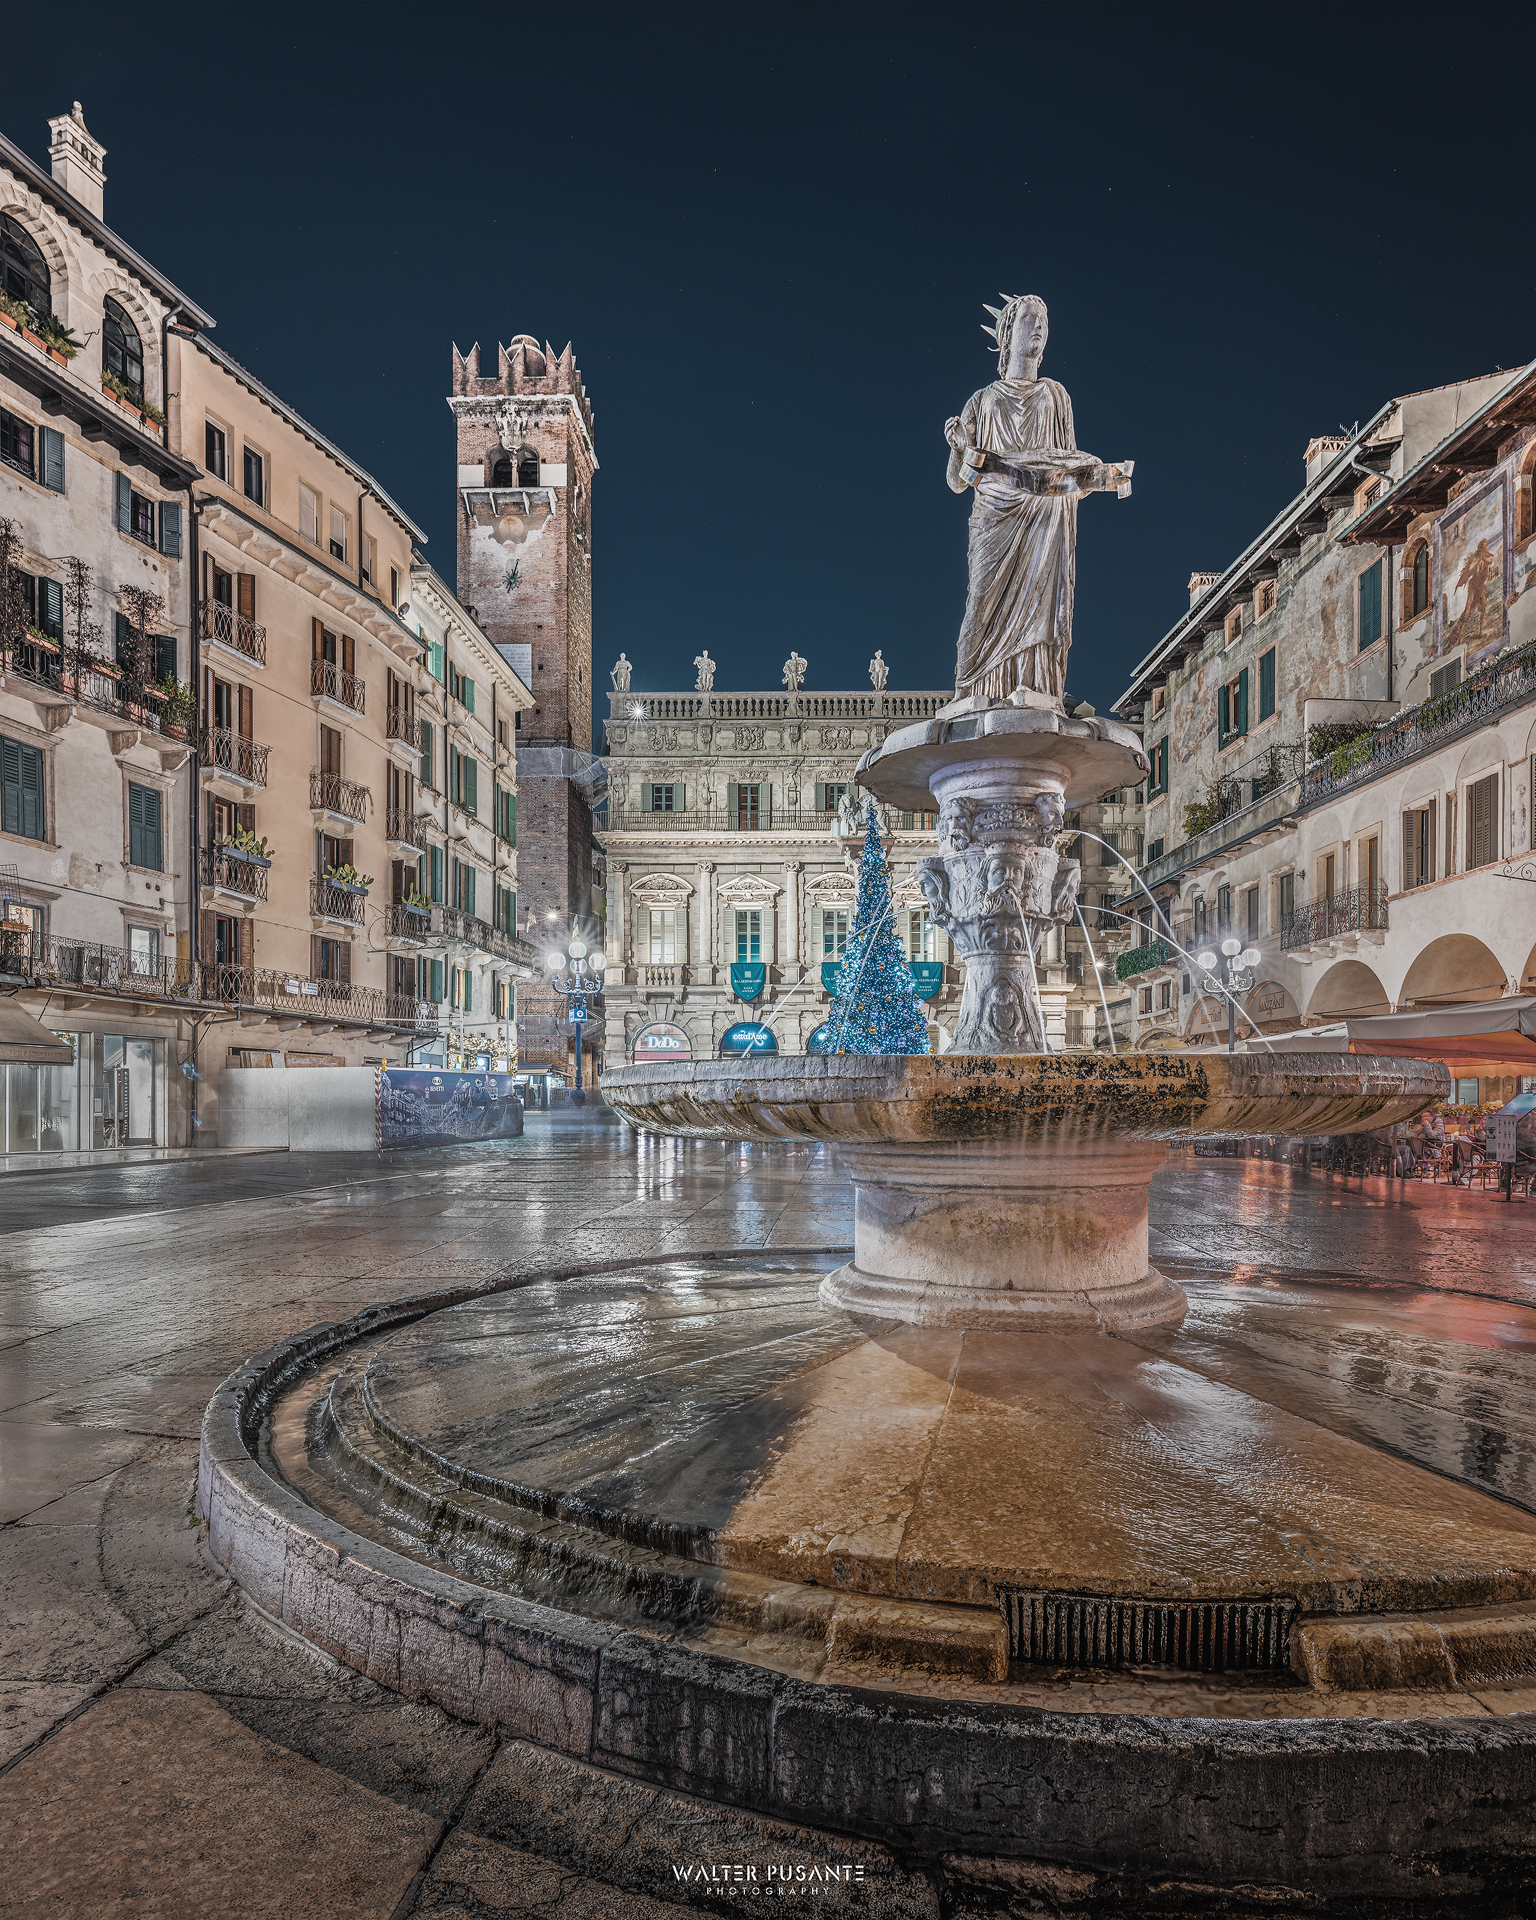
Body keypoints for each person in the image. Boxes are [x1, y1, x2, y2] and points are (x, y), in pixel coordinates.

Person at [945, 295, 1130, 705]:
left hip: (1045, 523)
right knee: (981, 601)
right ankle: (971, 688)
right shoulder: (982, 400)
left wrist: (1100, 477)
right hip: (995, 520)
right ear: (1008, 333)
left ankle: (1037, 687)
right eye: (1031, 319)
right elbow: (959, 482)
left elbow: (1066, 466)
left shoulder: (1056, 396)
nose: (1041, 328)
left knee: (1042, 604)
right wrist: (960, 447)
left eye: (1045, 321)